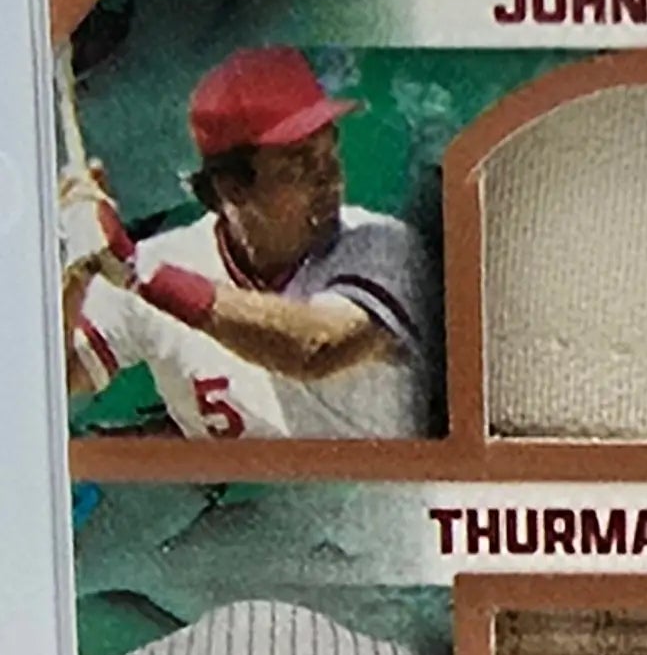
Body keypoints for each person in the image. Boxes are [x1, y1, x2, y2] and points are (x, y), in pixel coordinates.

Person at [65, 46, 437, 441]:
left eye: (330, 152)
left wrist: (138, 274)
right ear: (232, 188)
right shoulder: (164, 262)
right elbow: (61, 375)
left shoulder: (385, 245)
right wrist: (75, 266)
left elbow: (316, 348)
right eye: (299, 165)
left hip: (386, 479)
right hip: (244, 479)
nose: (329, 178)